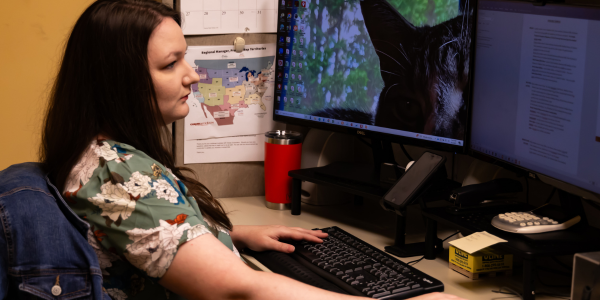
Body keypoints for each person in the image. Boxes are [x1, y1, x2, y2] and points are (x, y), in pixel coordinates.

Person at [39, 1, 468, 299]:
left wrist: (226, 237)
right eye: (171, 64)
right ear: (119, 83)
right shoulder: (119, 174)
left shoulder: (104, 155)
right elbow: (237, 289)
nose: (193, 74)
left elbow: (137, 235)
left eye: (185, 57)